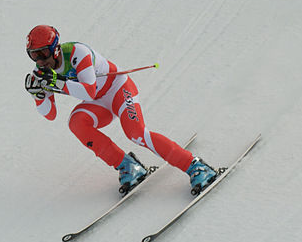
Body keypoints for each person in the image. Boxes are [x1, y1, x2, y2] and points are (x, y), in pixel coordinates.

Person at [24, 24, 217, 195]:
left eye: (42, 53)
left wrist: (57, 83)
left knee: (136, 133)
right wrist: (37, 95)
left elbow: (89, 90)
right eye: (33, 55)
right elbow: (50, 114)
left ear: (56, 49)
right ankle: (127, 166)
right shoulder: (41, 73)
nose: (39, 60)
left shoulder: (77, 52)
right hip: (99, 102)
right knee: (76, 123)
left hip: (118, 89)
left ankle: (195, 166)